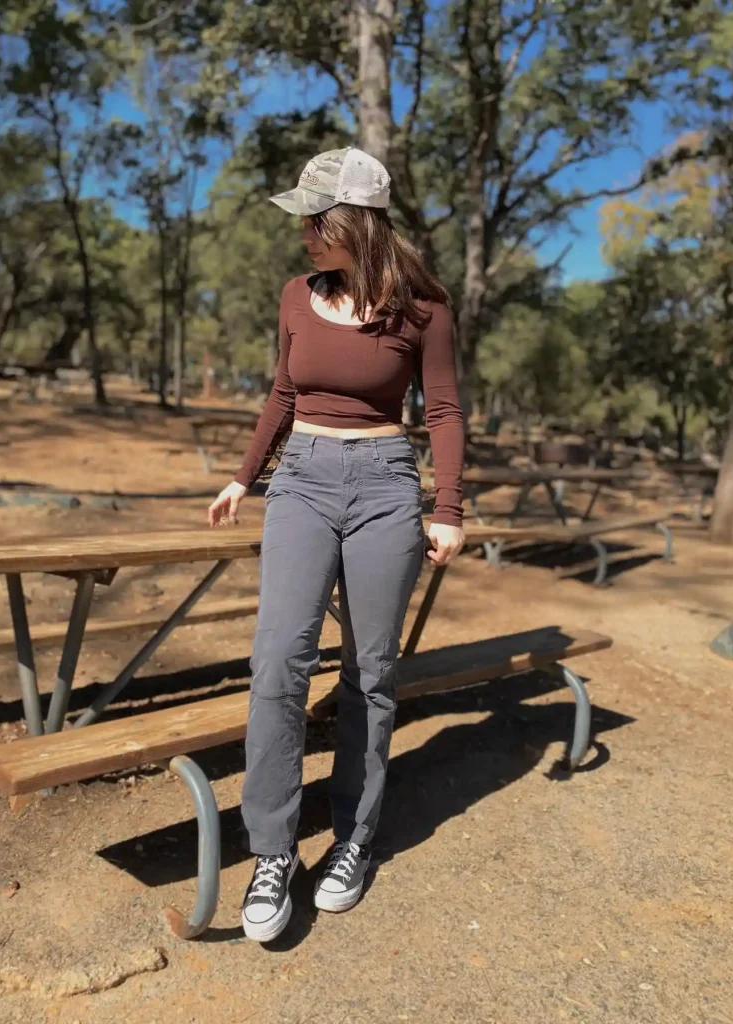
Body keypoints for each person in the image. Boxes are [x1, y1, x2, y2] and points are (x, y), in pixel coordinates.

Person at [208, 146, 465, 942]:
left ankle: (353, 839)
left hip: (387, 484)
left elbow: (444, 413)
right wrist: (243, 478)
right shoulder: (295, 296)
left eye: (314, 222)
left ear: (354, 223)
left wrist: (446, 506)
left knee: (370, 670)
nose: (303, 235)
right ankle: (273, 850)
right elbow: (283, 392)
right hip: (304, 483)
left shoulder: (423, 312)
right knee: (278, 660)